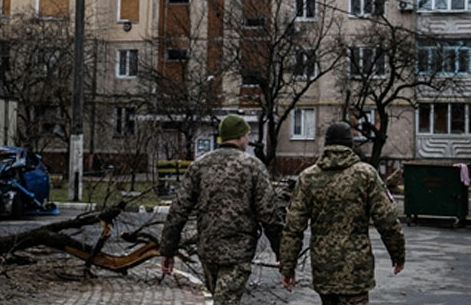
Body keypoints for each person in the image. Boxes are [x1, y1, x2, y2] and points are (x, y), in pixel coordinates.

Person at [160, 114, 282, 304]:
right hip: (238, 252)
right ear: (240, 136)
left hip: (208, 251)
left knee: (221, 299)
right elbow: (269, 214)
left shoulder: (200, 165)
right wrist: (281, 251)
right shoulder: (253, 167)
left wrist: (168, 250)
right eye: (247, 136)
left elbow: (178, 210)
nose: (248, 140)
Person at [279, 122, 405, 304]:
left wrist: (288, 267)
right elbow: (387, 220)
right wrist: (398, 254)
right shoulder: (366, 175)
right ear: (350, 145)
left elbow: (293, 228)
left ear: (326, 145)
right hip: (356, 270)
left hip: (324, 270)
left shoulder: (308, 178)